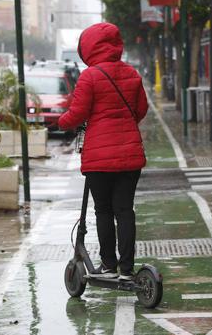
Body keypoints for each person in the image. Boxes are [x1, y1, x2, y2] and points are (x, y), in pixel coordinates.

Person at [58, 23, 148, 281]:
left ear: (88, 48)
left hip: (99, 158)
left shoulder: (90, 76)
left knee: (103, 211)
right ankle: (127, 268)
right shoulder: (131, 73)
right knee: (125, 210)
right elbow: (141, 109)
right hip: (130, 156)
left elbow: (78, 114)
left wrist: (62, 122)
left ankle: (108, 265)